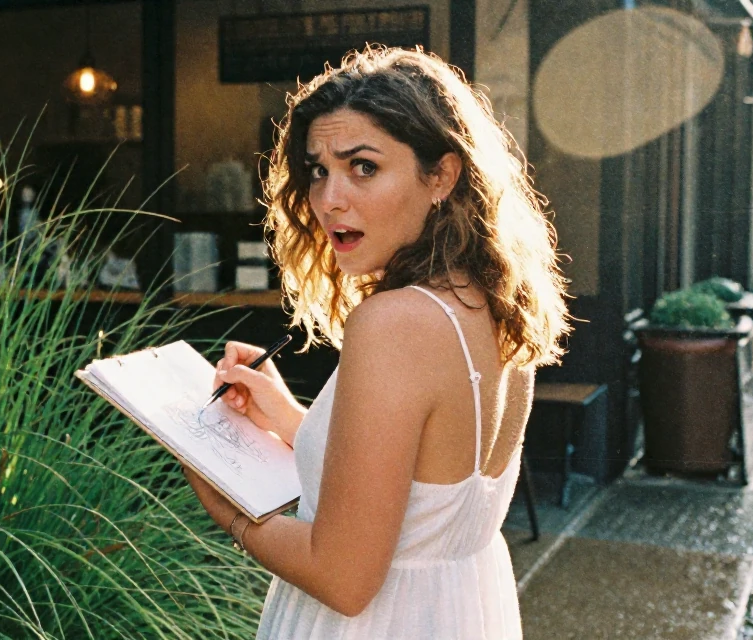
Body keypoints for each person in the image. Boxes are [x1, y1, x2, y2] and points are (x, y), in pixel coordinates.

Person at [182, 45, 570, 638]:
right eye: (317, 170)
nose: (329, 198)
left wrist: (225, 506)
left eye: (363, 166)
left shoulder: (393, 322)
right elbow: (423, 481)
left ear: (441, 175)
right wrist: (289, 417)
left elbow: (342, 578)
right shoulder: (493, 300)